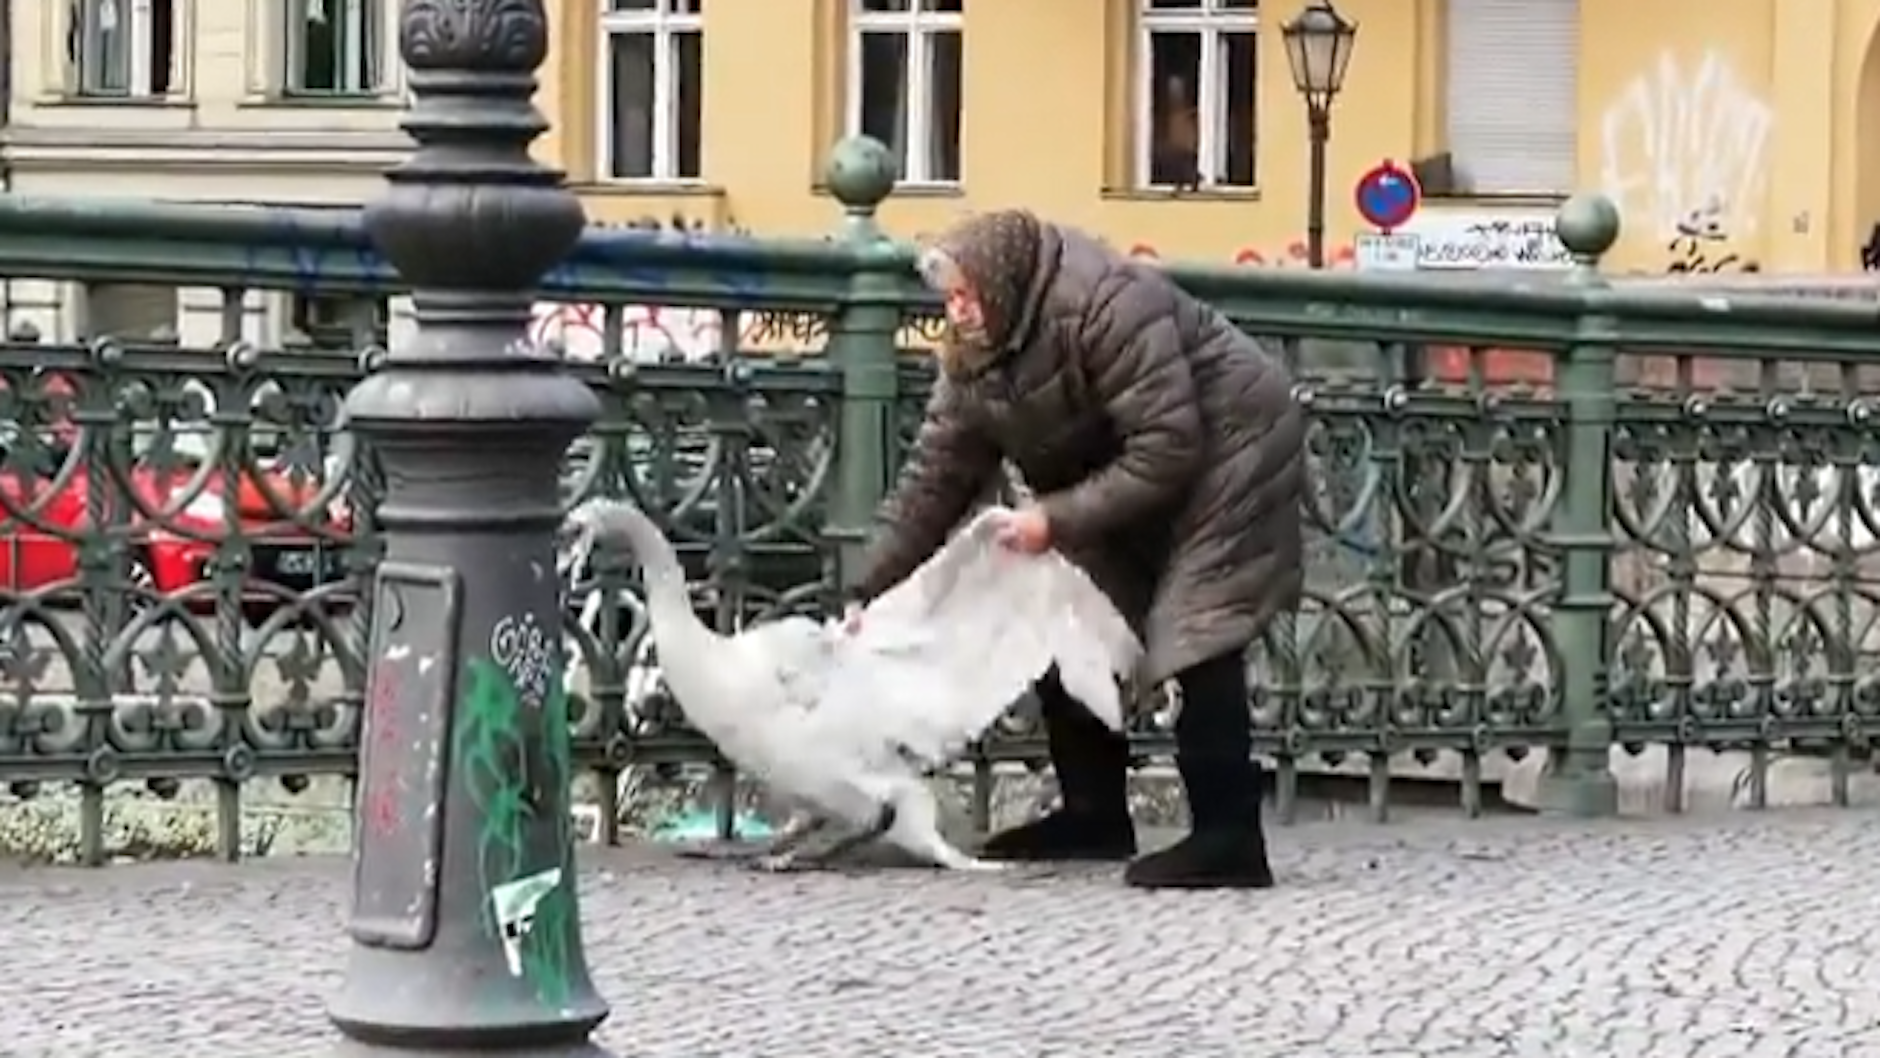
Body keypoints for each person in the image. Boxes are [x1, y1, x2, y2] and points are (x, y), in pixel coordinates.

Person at [844, 209, 1306, 890]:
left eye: (968, 295)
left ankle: (1229, 835)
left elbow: (1168, 444)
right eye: (950, 298)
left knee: (1200, 622)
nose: (957, 310)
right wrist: (865, 587)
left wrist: (1053, 519)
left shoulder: (1105, 304)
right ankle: (1093, 814)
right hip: (1120, 463)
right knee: (1065, 607)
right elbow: (934, 478)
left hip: (1236, 442)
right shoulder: (976, 353)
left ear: (1003, 286)